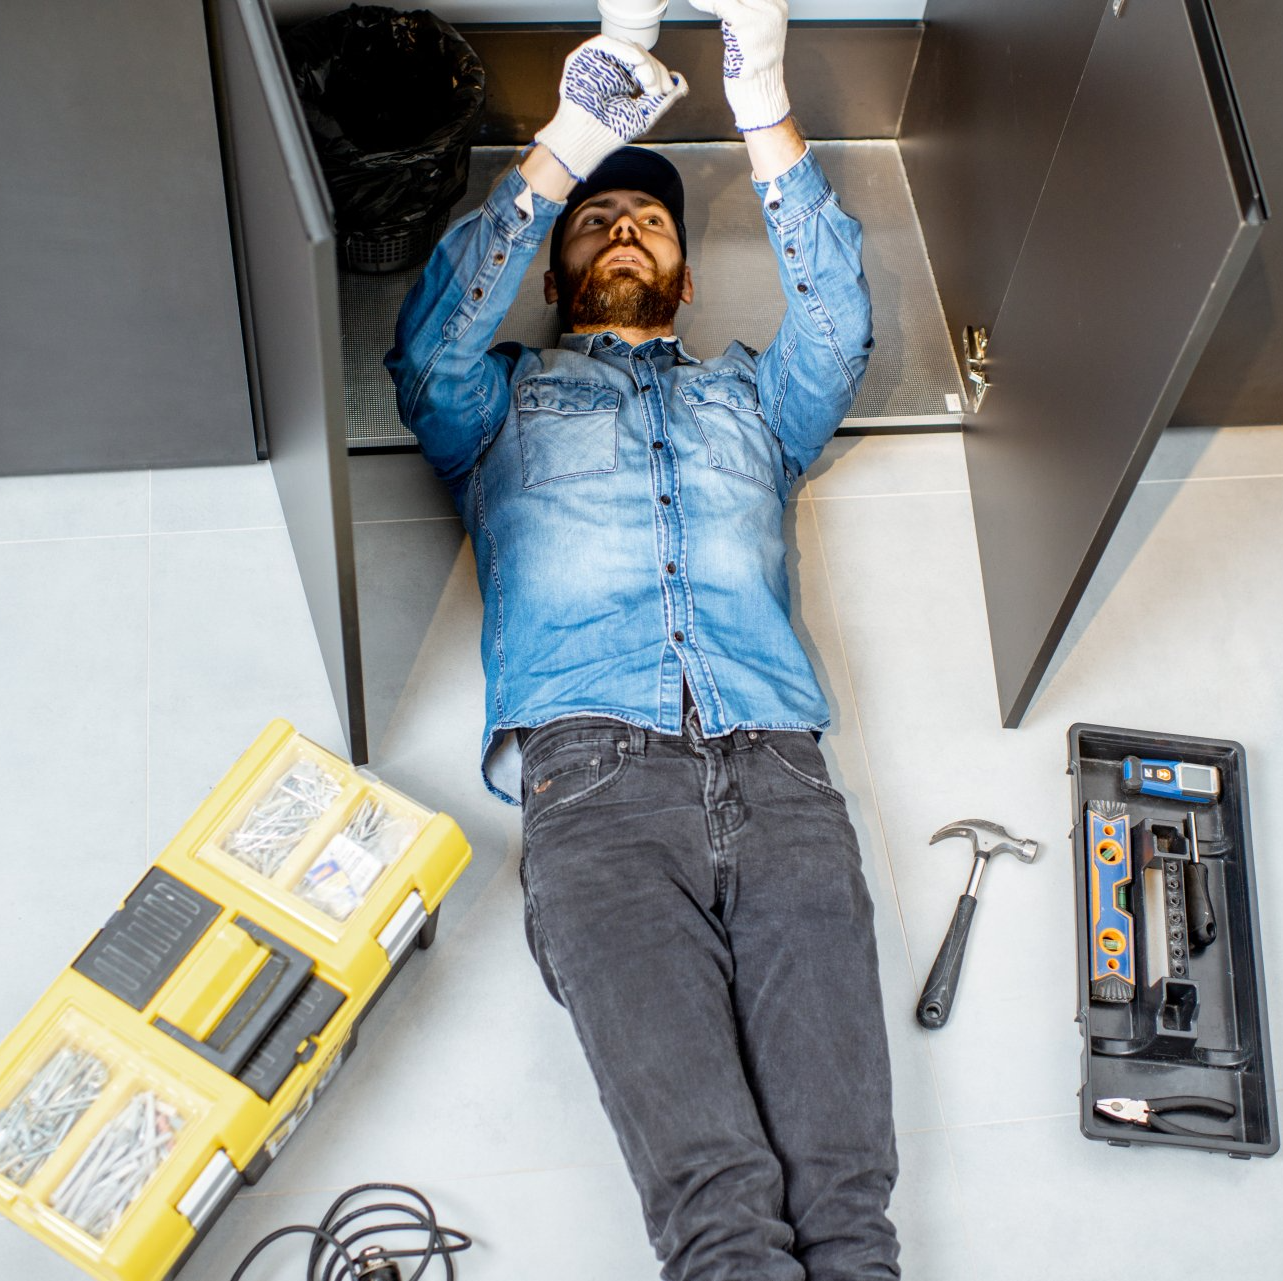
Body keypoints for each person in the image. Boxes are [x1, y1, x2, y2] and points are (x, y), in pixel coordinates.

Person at [386, 2, 899, 1276]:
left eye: (650, 220)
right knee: (719, 1208)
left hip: (784, 783)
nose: (625, 228)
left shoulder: (752, 401)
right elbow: (425, 348)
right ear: (556, 277)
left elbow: (835, 325)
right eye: (596, 225)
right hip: (597, 798)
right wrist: (566, 142)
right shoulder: (497, 406)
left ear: (679, 272)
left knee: (846, 1207)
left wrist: (762, 103)